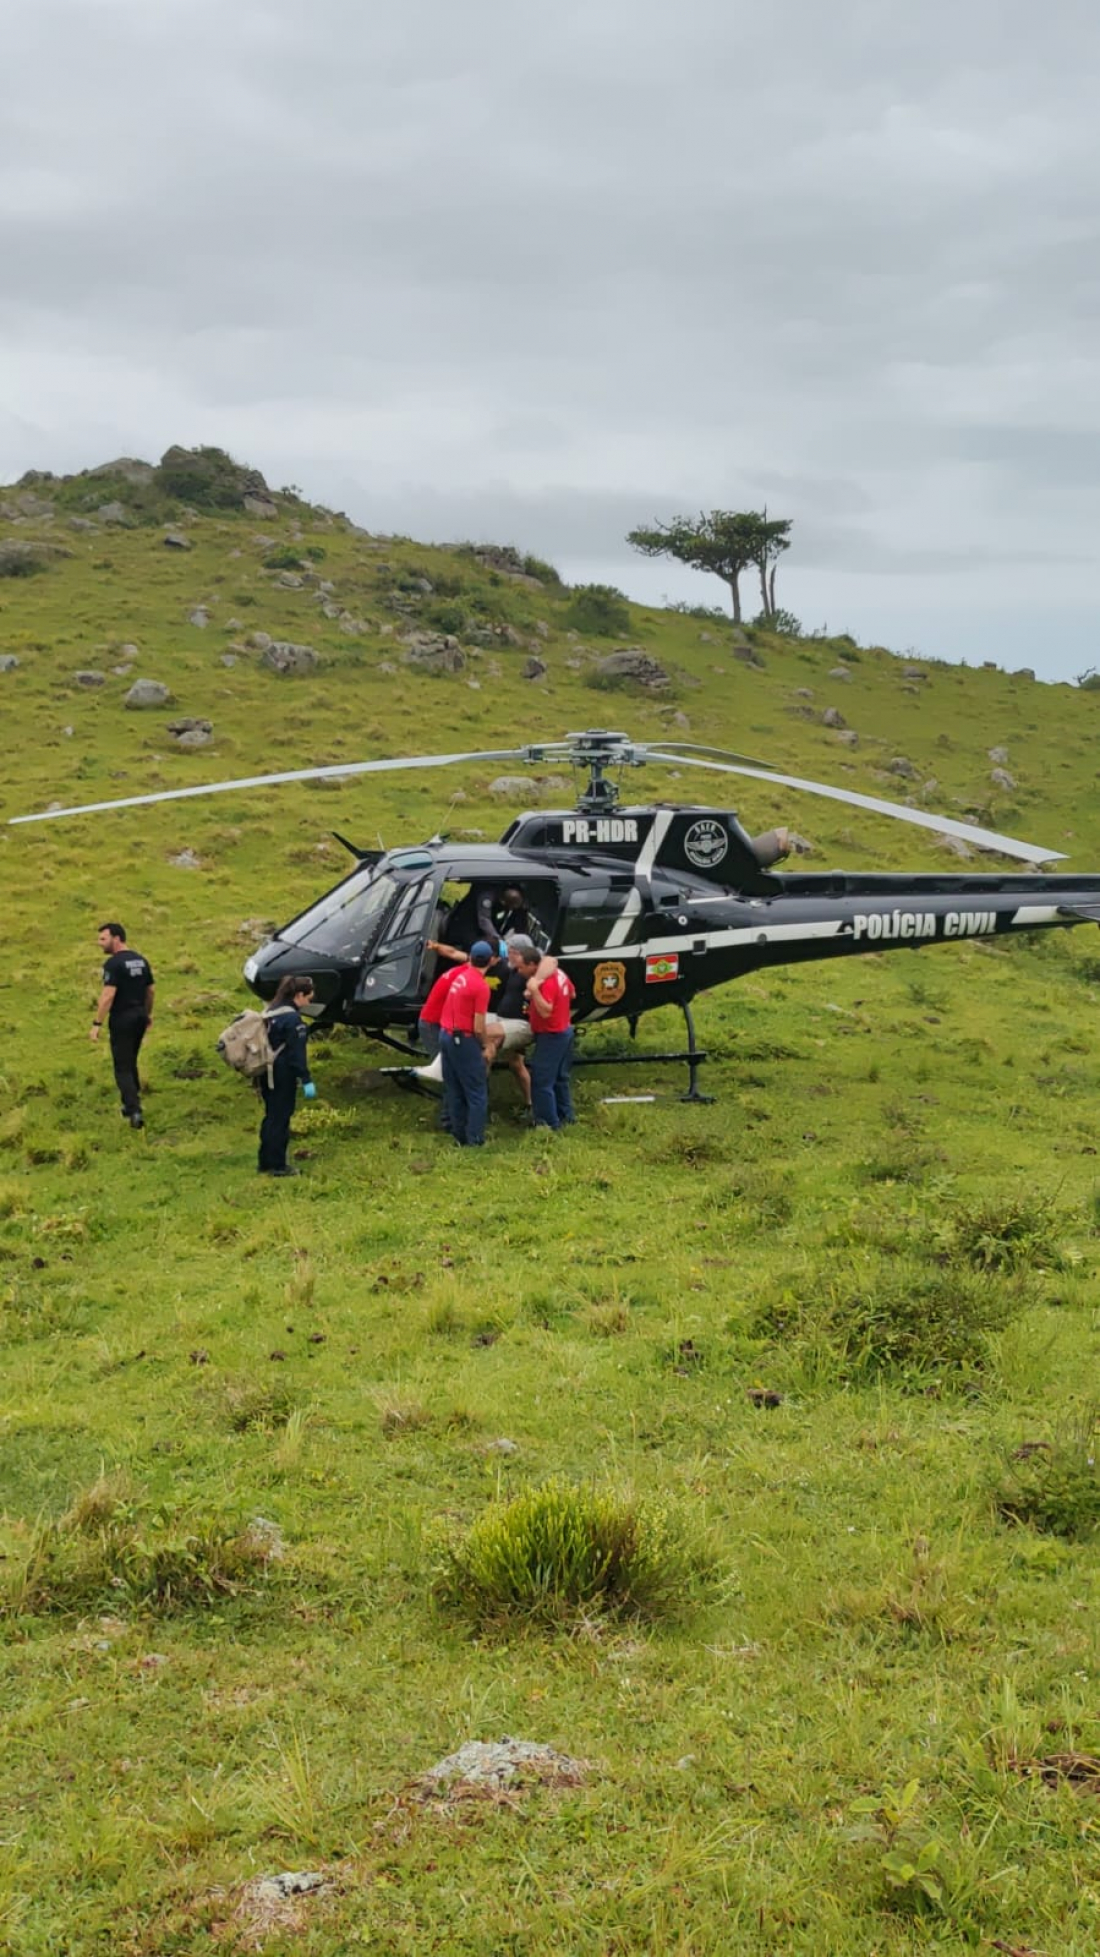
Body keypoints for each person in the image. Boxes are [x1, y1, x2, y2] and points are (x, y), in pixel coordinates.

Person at [90, 923, 155, 1129]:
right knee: (131, 1059)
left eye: (103, 939)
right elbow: (151, 990)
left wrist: (96, 1023)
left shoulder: (114, 964)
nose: (100, 943)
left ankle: (133, 1110)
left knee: (122, 1067)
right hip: (139, 1015)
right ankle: (132, 1100)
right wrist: (147, 1014)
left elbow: (108, 995)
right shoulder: (141, 960)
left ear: (116, 938)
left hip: (122, 1018)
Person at [257, 974, 317, 1177]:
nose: (308, 1003)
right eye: (308, 998)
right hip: (282, 1074)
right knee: (281, 1119)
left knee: (271, 1116)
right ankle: (278, 1165)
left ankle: (265, 1161)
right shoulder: (292, 1019)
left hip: (265, 1071)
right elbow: (297, 1055)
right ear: (299, 995)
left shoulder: (270, 1011)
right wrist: (306, 1079)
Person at [515, 946, 576, 1131]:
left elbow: (545, 1010)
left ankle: (547, 1124)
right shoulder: (560, 974)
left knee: (541, 1081)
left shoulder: (546, 983)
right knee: (560, 1079)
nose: (518, 971)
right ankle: (566, 1116)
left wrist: (534, 991)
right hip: (565, 1030)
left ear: (532, 965)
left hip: (552, 1035)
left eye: (520, 967)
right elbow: (572, 993)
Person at [439, 940, 493, 1146]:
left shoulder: (461, 976)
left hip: (446, 1034)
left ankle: (459, 1135)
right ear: (490, 961)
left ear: (470, 958)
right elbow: (479, 1026)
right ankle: (475, 1139)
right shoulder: (480, 986)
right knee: (477, 1091)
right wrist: (487, 1045)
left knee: (454, 1089)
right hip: (463, 1038)